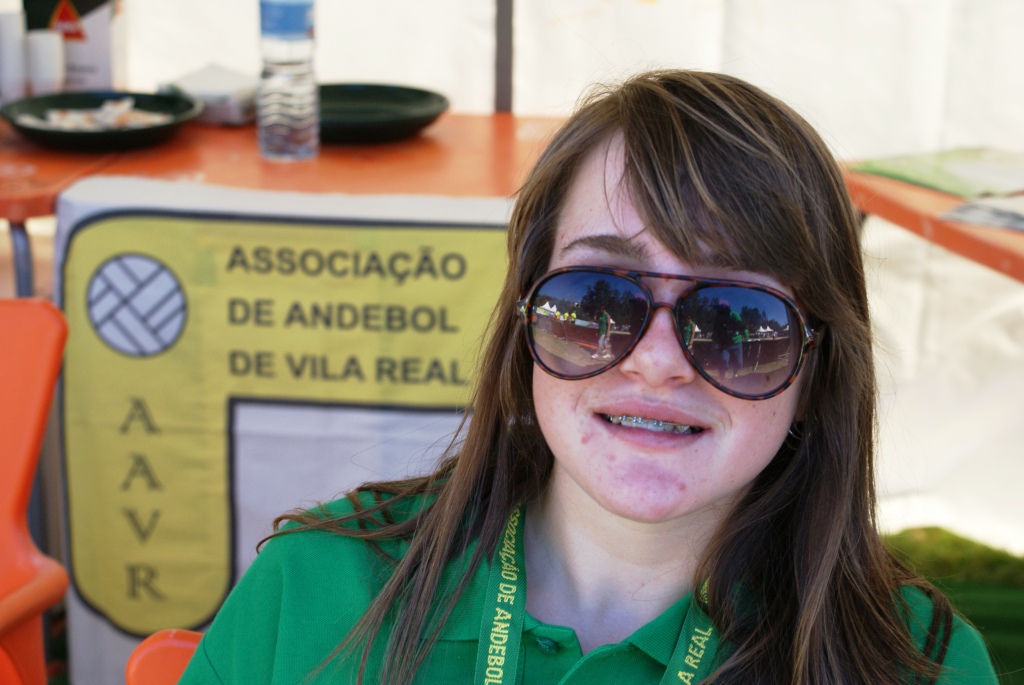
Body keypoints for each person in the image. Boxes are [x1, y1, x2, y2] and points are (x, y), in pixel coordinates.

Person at [178, 70, 998, 684]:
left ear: (817, 369)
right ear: (524, 325)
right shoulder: (312, 587)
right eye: (595, 297)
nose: (657, 360)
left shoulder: (921, 664)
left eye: (737, 320)